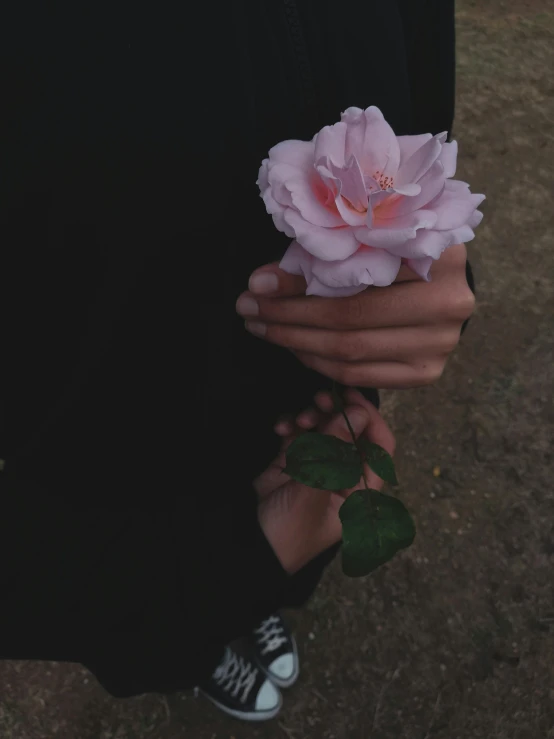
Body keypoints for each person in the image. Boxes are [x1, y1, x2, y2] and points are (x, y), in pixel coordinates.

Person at [0, 0, 474, 722]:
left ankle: (254, 603)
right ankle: (203, 639)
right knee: (202, 604)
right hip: (113, 476)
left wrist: (432, 282)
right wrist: (202, 579)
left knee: (281, 565)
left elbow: (422, 136)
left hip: (306, 432)